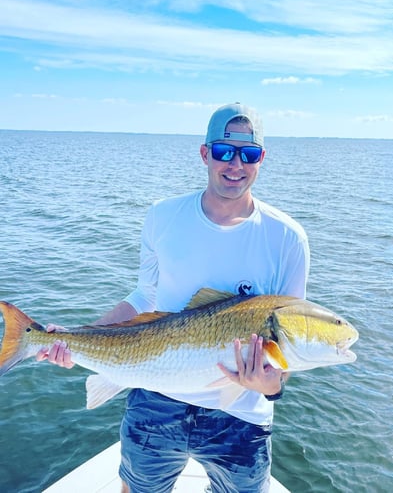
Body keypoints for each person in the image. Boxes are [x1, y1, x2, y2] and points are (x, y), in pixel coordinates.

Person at [37, 103, 310, 493]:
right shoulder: (162, 216)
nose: (235, 164)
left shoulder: (288, 238)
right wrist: (78, 336)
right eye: (223, 151)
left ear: (261, 159)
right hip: (156, 398)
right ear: (204, 154)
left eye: (248, 154)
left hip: (241, 412)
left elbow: (286, 339)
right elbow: (144, 296)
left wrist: (269, 386)